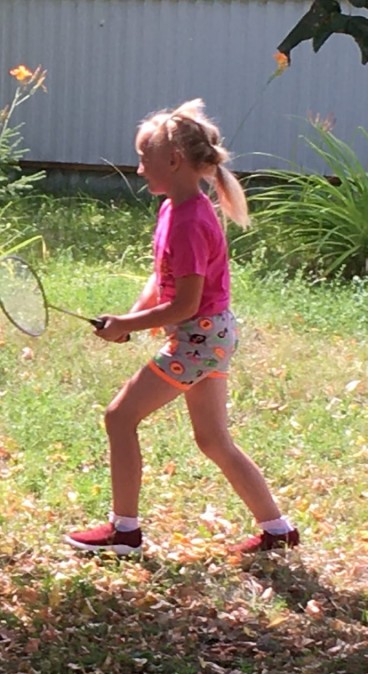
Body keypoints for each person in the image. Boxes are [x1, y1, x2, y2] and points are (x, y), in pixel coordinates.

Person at [65, 99, 299, 555]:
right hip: (211, 336)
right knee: (213, 439)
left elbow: (185, 303)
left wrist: (130, 323)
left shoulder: (190, 221)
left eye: (143, 158)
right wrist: (133, 315)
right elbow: (162, 278)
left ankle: (124, 530)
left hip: (199, 338)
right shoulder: (174, 208)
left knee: (119, 417)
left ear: (173, 160)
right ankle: (278, 530)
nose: (138, 169)